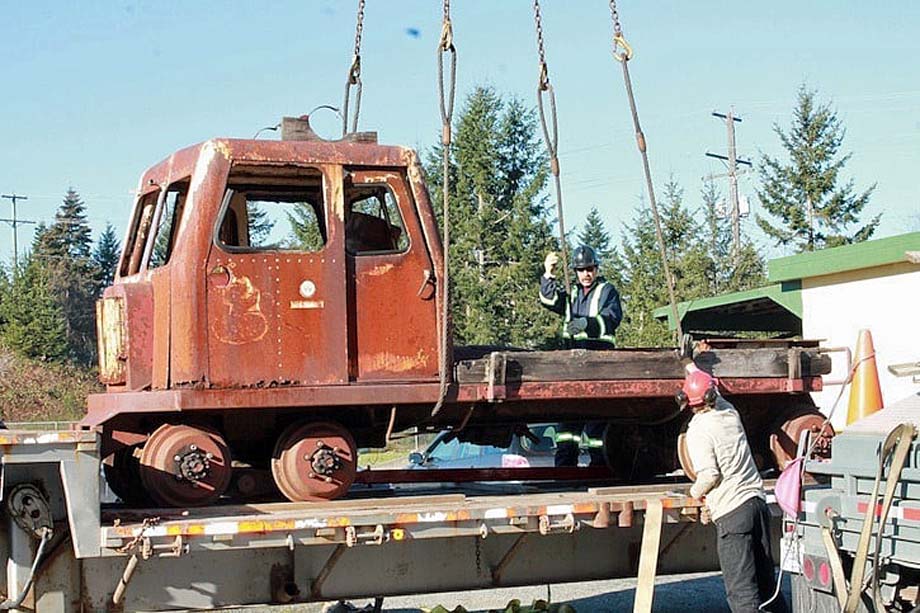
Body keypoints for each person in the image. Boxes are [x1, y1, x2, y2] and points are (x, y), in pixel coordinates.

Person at [679, 365, 787, 613]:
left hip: (732, 514)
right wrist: (692, 366)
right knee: (767, 587)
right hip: (757, 506)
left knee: (742, 595)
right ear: (712, 395)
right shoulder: (730, 413)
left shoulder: (697, 430)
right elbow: (715, 389)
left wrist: (693, 494)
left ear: (687, 401)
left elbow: (709, 474)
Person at [539, 245, 623, 466]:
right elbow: (549, 301)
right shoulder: (572, 294)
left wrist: (587, 323)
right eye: (581, 270)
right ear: (575, 272)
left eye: (589, 269)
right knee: (567, 430)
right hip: (572, 369)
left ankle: (601, 468)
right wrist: (549, 274)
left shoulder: (607, 291)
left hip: (599, 368)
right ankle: (565, 472)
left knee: (597, 429)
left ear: (596, 269)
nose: (586, 274)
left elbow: (612, 318)